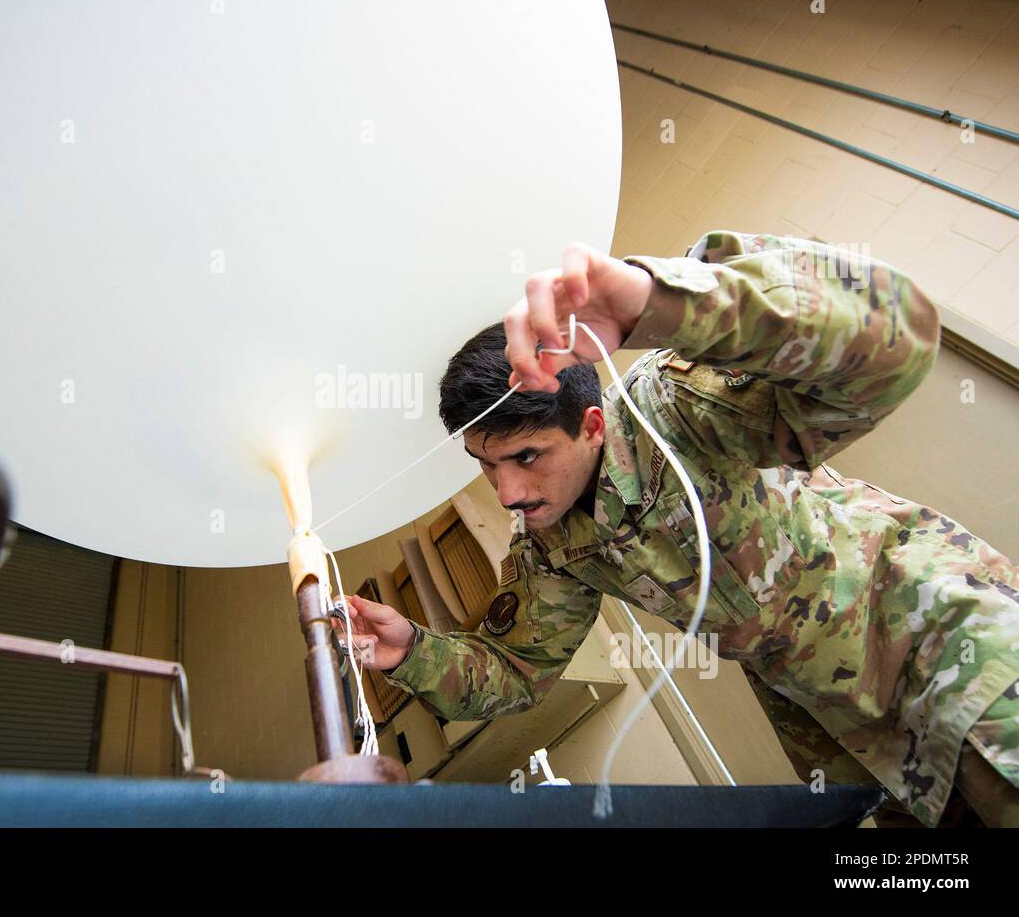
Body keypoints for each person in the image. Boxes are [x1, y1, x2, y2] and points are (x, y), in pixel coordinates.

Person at [335, 230, 1019, 827]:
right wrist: (412, 653)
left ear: (592, 426)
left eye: (527, 457)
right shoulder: (552, 550)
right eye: (486, 466)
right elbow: (516, 670)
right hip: (843, 726)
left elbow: (892, 344)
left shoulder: (675, 408)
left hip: (938, 641)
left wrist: (654, 303)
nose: (508, 492)